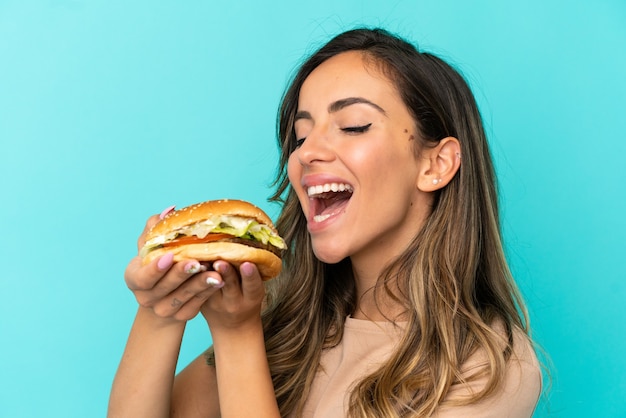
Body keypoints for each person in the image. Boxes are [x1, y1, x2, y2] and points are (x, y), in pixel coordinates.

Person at [108, 27, 542, 417]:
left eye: (352, 126)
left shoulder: (490, 364)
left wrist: (238, 337)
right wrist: (160, 312)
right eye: (300, 135)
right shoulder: (287, 326)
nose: (306, 153)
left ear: (436, 163)